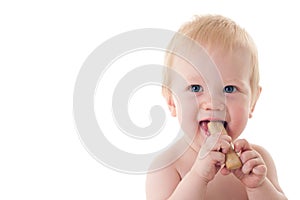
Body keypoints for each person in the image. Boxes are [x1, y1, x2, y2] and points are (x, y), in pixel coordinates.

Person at [146, 15, 287, 200]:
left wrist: (258, 187)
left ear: (252, 101)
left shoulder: (258, 161)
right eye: (196, 88)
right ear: (172, 102)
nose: (213, 103)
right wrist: (198, 177)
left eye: (229, 89)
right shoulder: (167, 166)